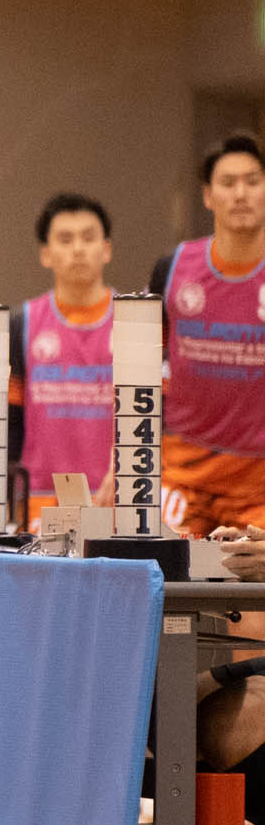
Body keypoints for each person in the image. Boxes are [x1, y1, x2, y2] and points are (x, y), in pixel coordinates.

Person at [148, 133, 265, 535]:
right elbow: (143, 371)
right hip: (182, 473)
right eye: (228, 183)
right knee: (159, 571)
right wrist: (124, 457)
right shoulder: (172, 269)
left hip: (257, 486)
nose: (241, 193)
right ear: (208, 196)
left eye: (252, 181)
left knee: (251, 576)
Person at [10, 193, 116, 526]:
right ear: (46, 254)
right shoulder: (22, 324)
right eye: (66, 239)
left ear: (107, 249)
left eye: (88, 237)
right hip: (39, 498)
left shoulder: (135, 322)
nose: (78, 249)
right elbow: (10, 423)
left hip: (113, 497)